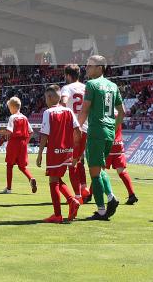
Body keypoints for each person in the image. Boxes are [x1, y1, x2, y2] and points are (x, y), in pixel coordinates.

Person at [78, 54, 125, 221]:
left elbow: (84, 110)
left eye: (90, 66)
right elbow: (123, 111)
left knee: (95, 173)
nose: (87, 68)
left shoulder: (91, 84)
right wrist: (113, 126)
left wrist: (77, 128)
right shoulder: (113, 86)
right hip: (109, 133)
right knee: (101, 169)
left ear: (99, 68)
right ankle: (111, 197)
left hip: (96, 132)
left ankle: (102, 210)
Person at [36, 85, 81, 223]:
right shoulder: (68, 111)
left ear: (49, 97)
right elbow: (78, 130)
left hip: (55, 151)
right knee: (57, 178)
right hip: (67, 151)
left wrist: (39, 154)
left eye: (46, 98)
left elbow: (44, 135)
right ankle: (71, 200)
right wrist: (75, 148)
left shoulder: (48, 112)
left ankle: (58, 214)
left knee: (53, 181)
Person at [60, 63, 90, 202]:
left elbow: (64, 102)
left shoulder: (67, 88)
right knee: (80, 160)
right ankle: (84, 188)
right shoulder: (86, 87)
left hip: (73, 129)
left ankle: (77, 196)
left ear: (67, 75)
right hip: (86, 127)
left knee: (71, 162)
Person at [0, 97, 37, 194]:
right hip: (23, 144)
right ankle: (31, 178)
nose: (9, 110)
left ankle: (9, 189)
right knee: (22, 166)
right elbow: (31, 132)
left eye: (9, 107)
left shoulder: (12, 117)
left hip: (14, 142)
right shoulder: (25, 118)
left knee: (9, 165)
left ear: (13, 107)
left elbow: (9, 131)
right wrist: (25, 142)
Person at [106, 120, 138, 205]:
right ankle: (131, 194)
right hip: (118, 144)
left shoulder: (104, 112)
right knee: (122, 171)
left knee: (98, 171)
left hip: (108, 144)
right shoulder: (119, 112)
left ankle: (89, 195)